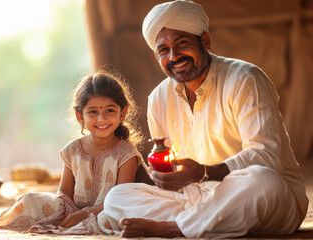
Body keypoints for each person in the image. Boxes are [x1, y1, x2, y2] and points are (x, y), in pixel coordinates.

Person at [99, 0, 309, 238]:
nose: (174, 56)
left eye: (182, 44)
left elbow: (266, 156)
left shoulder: (245, 79)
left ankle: (175, 227)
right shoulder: (159, 98)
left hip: (260, 196)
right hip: (195, 199)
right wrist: (162, 176)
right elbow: (169, 163)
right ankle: (205, 223)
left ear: (205, 41)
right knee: (117, 197)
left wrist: (204, 172)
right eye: (163, 50)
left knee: (263, 181)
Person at [0, 70, 144, 235]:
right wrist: (64, 212)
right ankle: (4, 221)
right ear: (79, 116)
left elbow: (120, 201)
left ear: (123, 112)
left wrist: (83, 215)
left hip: (107, 212)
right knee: (30, 199)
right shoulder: (73, 150)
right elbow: (64, 193)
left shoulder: (126, 153)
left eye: (109, 110)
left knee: (113, 219)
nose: (101, 118)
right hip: (72, 211)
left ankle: (76, 226)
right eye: (93, 112)